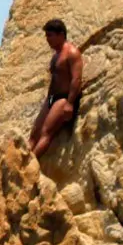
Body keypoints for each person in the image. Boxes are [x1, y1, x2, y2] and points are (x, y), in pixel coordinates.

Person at [29, 18, 84, 158]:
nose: (47, 40)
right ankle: (23, 159)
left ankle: (31, 164)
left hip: (64, 98)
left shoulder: (72, 53)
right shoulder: (55, 56)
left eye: (50, 36)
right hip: (52, 98)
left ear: (61, 34)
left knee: (46, 132)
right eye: (46, 36)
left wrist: (70, 103)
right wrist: (48, 102)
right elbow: (54, 81)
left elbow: (76, 79)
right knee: (34, 132)